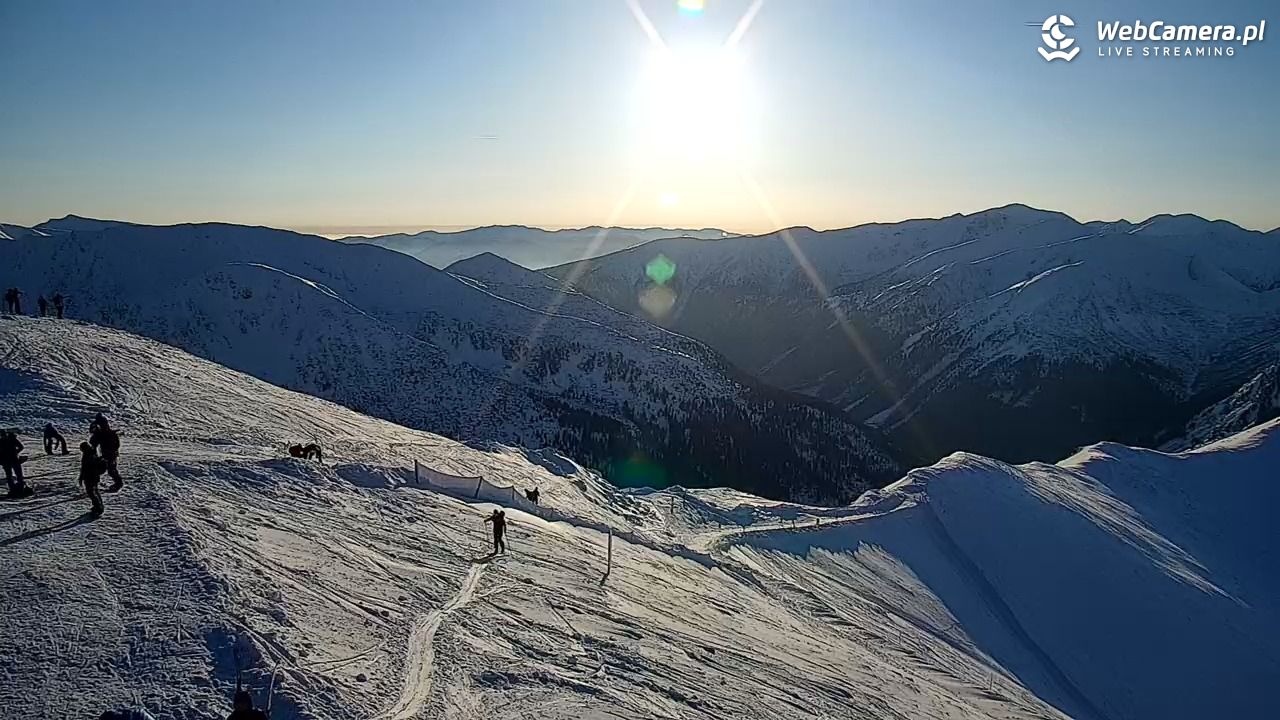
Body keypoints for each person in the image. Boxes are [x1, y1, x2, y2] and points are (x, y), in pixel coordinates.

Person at [89, 415, 123, 491]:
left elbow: (93, 439)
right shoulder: (100, 430)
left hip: (109, 453)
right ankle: (117, 483)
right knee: (103, 469)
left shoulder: (103, 431)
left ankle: (118, 483)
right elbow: (93, 439)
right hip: (107, 452)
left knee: (109, 469)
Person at [79, 442, 107, 515]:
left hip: (90, 477)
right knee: (94, 491)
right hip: (92, 476)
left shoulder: (89, 456)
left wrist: (82, 477)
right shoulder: (91, 453)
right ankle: (97, 506)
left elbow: (85, 468)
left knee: (91, 492)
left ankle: (98, 507)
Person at [1, 430, 27, 496]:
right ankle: (19, 489)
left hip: (7, 461)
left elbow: (21, 447)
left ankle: (14, 490)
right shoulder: (12, 439)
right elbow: (21, 447)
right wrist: (16, 452)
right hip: (13, 460)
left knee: (10, 476)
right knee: (17, 475)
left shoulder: (2, 441)